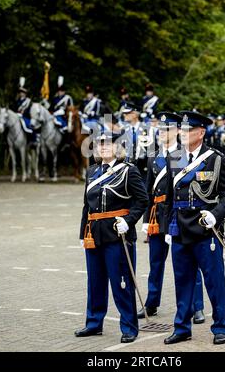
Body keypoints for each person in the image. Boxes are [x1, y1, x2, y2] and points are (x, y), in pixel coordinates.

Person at [164, 110, 225, 345]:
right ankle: (182, 327)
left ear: (201, 132)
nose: (183, 134)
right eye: (182, 130)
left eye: (188, 130)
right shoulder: (174, 156)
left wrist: (215, 216)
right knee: (182, 280)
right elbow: (168, 197)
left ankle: (221, 326)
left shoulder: (216, 158)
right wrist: (166, 228)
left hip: (206, 229)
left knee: (214, 280)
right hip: (179, 229)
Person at [75, 131, 148, 344]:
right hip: (94, 233)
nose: (103, 147)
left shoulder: (129, 171)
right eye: (100, 144)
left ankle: (129, 326)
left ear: (117, 148)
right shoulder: (92, 171)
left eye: (108, 144)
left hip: (118, 234)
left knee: (121, 281)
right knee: (95, 281)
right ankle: (94, 323)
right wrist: (82, 233)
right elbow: (86, 206)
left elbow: (142, 200)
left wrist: (129, 221)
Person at [137, 111, 205, 324]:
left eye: (167, 129)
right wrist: (146, 220)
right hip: (158, 217)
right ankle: (151, 302)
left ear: (177, 131)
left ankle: (197, 306)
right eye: (160, 129)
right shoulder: (153, 156)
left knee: (188, 263)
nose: (162, 133)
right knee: (155, 262)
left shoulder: (185, 155)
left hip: (177, 216)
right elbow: (148, 192)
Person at [122, 101, 157, 180]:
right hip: (126, 171)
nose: (124, 115)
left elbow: (152, 151)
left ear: (135, 114)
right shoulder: (123, 130)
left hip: (143, 170)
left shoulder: (147, 129)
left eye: (127, 113)